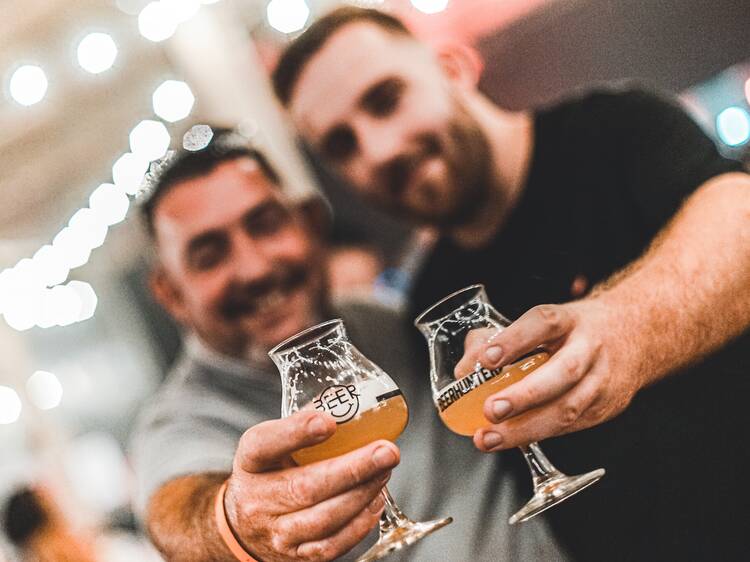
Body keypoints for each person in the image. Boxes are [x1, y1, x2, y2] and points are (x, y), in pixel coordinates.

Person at [272, 7, 750, 561]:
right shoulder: (429, 296)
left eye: (386, 100)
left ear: (452, 68)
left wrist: (622, 328)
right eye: (342, 145)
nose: (379, 151)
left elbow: (736, 221)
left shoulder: (614, 130)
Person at [130, 129, 567, 561]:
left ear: (310, 223)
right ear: (170, 294)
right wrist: (235, 522)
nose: (254, 268)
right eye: (210, 255)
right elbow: (178, 516)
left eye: (265, 225)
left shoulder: (385, 321)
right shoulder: (180, 422)